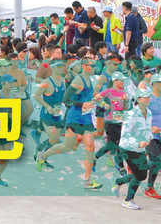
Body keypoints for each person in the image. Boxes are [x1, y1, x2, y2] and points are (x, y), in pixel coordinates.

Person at [37, 59, 103, 190]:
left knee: (90, 146)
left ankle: (87, 180)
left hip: (86, 118)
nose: (95, 68)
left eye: (95, 66)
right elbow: (66, 99)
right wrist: (82, 104)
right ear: (84, 66)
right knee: (67, 147)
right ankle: (42, 156)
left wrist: (95, 100)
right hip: (74, 118)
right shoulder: (78, 80)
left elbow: (86, 98)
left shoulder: (90, 80)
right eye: (92, 65)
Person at [112, 84, 154, 210]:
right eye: (145, 97)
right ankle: (128, 200)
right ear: (138, 99)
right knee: (139, 175)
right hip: (127, 148)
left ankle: (118, 182)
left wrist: (150, 136)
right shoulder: (131, 114)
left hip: (140, 148)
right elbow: (125, 134)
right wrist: (138, 143)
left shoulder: (149, 112)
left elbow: (146, 129)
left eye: (148, 97)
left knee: (142, 174)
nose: (148, 99)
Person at [145, 73, 161, 198]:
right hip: (150, 135)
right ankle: (149, 187)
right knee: (157, 159)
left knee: (157, 161)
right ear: (154, 84)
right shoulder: (147, 99)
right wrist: (150, 128)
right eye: (159, 83)